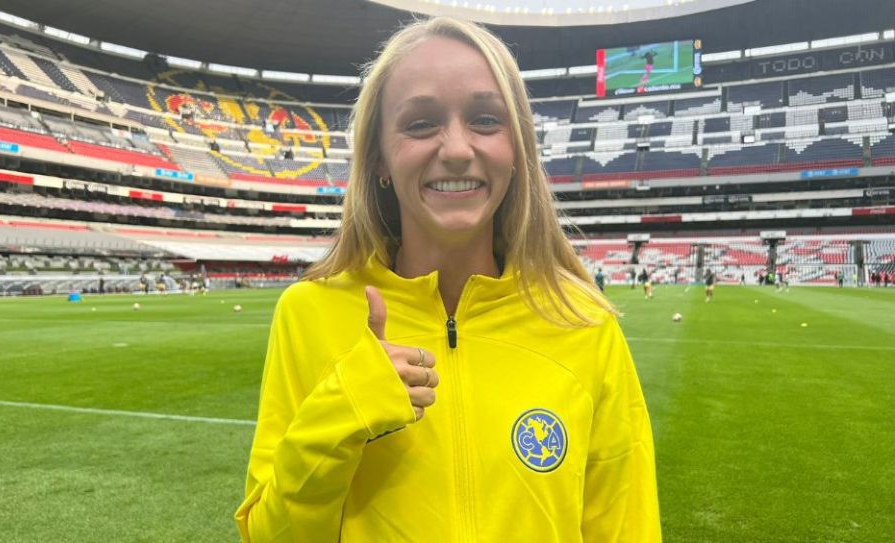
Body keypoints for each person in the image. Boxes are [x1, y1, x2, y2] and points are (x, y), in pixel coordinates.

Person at [235, 17, 660, 543]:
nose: (457, 148)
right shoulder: (309, 312)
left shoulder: (584, 323)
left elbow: (626, 529)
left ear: (518, 150)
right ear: (379, 159)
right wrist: (342, 409)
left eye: (485, 120)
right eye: (420, 124)